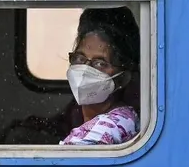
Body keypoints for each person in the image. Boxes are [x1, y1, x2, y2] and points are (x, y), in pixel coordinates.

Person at [60, 15, 140, 146]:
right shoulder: (78, 111)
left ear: (122, 78)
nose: (85, 70)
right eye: (79, 58)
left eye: (100, 63)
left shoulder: (111, 126)